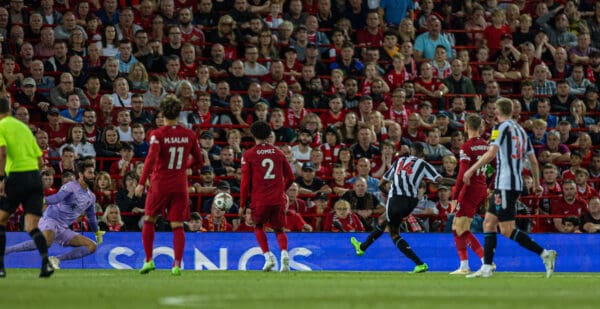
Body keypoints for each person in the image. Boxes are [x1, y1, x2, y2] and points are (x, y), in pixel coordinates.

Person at [463, 98, 557, 278]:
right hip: (512, 184)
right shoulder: (522, 131)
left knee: (506, 229)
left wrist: (471, 170)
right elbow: (534, 161)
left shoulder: (499, 128)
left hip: (505, 184)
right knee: (488, 223)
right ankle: (487, 267)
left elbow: (491, 153)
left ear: (497, 113)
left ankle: (545, 254)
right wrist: (536, 183)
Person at [350, 143, 456, 273]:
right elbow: (440, 180)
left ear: (411, 152)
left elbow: (382, 183)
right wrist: (459, 181)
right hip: (411, 203)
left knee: (394, 234)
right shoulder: (423, 164)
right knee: (385, 220)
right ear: (423, 154)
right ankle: (362, 247)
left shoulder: (399, 161)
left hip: (396, 199)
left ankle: (419, 263)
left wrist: (387, 193)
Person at [135, 95, 203, 276]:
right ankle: (177, 265)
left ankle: (149, 260)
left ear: (162, 113)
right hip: (180, 185)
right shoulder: (189, 134)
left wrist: (141, 182)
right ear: (179, 113)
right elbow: (199, 160)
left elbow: (150, 160)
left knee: (149, 219)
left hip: (160, 184)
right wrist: (183, 167)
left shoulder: (158, 134)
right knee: (178, 225)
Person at [4, 162, 102, 270]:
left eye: (93, 173)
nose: (93, 176)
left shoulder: (91, 196)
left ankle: (56, 259)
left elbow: (91, 216)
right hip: (50, 219)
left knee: (92, 246)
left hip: (63, 227)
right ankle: (7, 250)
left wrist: (96, 232)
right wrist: (44, 200)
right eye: (90, 173)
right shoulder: (71, 186)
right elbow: (57, 198)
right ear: (81, 174)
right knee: (46, 242)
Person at [0, 97, 53, 278]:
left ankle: (0, 267)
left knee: (1, 220)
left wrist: (1, 179)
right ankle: (46, 263)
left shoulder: (1, 126)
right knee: (31, 226)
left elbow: (2, 152)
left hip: (16, 177)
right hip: (34, 179)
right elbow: (40, 160)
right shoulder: (24, 128)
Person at [239, 121, 295, 272]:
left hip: (260, 199)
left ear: (253, 135)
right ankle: (284, 255)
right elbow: (291, 177)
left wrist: (242, 204)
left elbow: (245, 183)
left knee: (258, 226)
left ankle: (268, 257)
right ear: (269, 134)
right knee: (279, 229)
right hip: (278, 199)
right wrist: (281, 190)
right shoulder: (279, 153)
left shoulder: (248, 155)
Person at [449, 115, 489, 275]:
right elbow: (493, 168)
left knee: (461, 228)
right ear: (481, 127)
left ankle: (486, 260)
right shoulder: (486, 146)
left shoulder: (466, 147)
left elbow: (462, 175)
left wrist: (454, 196)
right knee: (456, 227)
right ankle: (464, 265)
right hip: (481, 188)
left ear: (466, 127)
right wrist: (488, 186)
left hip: (469, 190)